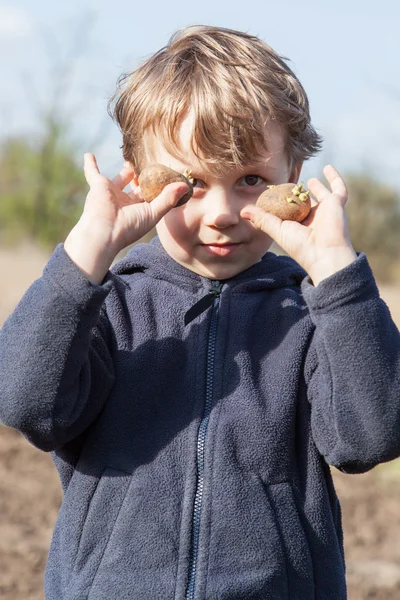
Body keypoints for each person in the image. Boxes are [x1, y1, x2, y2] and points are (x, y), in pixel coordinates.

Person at [0, 24, 399, 600]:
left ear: (293, 180)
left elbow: (371, 436)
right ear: (139, 181)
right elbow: (25, 403)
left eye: (250, 181)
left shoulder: (313, 318)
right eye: (190, 182)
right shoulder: (108, 307)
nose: (221, 213)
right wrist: (85, 255)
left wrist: (336, 272)